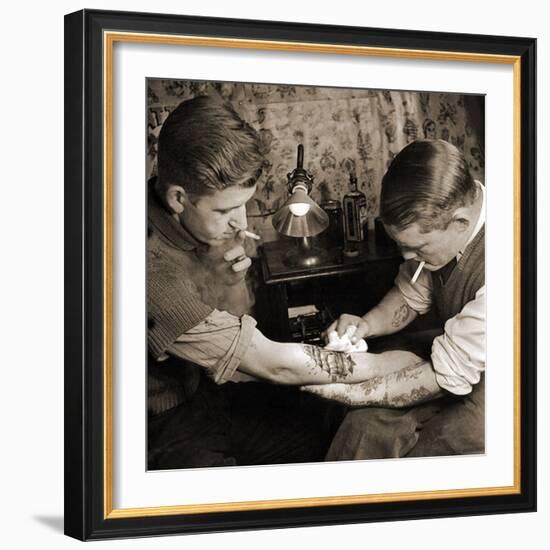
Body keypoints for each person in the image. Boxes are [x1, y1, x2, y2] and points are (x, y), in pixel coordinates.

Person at [147, 96, 402, 469]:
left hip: (204, 392)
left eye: (243, 204)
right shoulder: (147, 265)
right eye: (225, 209)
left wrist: (229, 277)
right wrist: (387, 365)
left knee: (326, 419)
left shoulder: (198, 225)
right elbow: (273, 364)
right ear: (178, 198)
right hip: (156, 422)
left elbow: (232, 318)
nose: (241, 221)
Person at [304, 140, 485, 459]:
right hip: (455, 356)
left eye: (419, 248)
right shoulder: (438, 228)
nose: (407, 256)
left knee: (427, 451)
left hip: (513, 386)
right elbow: (410, 292)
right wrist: (367, 324)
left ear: (460, 223)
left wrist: (355, 394)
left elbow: (445, 376)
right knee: (364, 427)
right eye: (401, 245)